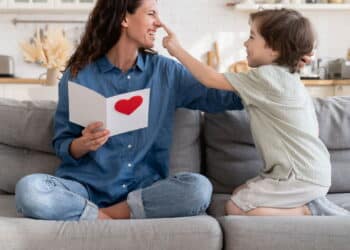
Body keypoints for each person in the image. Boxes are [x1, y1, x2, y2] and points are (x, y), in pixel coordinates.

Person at [14, 0, 244, 221]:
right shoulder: (79, 75)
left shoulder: (166, 73)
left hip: (143, 192)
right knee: (29, 189)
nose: (159, 23)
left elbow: (223, 97)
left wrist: (269, 80)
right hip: (84, 188)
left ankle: (97, 217)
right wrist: (83, 143)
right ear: (124, 18)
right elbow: (63, 144)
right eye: (151, 14)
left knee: (199, 188)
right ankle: (110, 216)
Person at [162, 8, 350, 216]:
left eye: (252, 37)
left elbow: (210, 79)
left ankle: (310, 210)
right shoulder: (285, 75)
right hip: (307, 171)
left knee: (235, 207)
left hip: (297, 175)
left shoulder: (266, 77)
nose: (245, 43)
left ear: (274, 49)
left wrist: (177, 49)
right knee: (240, 192)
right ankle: (308, 203)